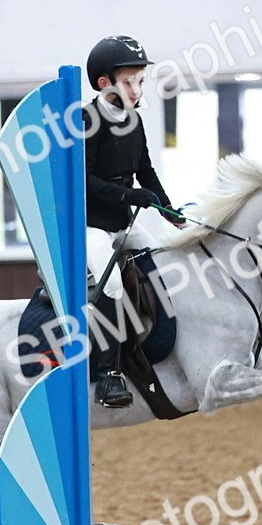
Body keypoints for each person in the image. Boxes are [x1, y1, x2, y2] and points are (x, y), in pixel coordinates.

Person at [82, 35, 185, 408]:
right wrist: (130, 196)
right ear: (103, 83)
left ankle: (150, 344)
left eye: (141, 82)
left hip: (122, 224)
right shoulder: (86, 119)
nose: (138, 90)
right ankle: (109, 376)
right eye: (129, 82)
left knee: (154, 260)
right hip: (90, 226)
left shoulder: (135, 120)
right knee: (110, 286)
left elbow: (146, 171)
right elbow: (85, 181)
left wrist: (168, 209)